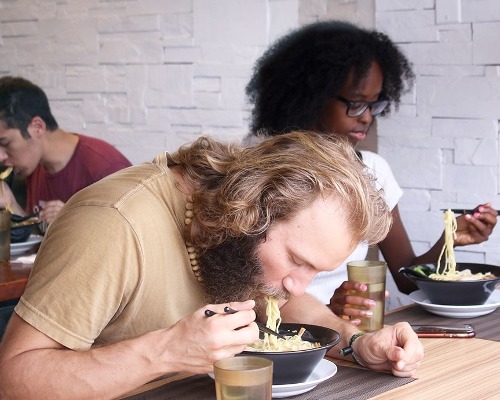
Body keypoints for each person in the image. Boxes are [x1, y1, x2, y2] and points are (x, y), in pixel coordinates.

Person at [0, 132, 423, 399]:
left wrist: (355, 342)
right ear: (252, 211)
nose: (299, 286)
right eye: (297, 261)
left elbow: (279, 301)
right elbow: (15, 380)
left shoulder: (236, 231)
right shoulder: (114, 222)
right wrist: (165, 352)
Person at [243, 20, 498, 322]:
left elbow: (406, 276)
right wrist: (325, 313)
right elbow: (241, 291)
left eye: (373, 105)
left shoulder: (373, 171)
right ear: (310, 95)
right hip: (279, 340)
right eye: (355, 103)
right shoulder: (258, 172)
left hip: (350, 337)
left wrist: (449, 240)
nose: (366, 118)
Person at [0, 76, 132, 225]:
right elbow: (40, 237)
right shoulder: (33, 164)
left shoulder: (106, 167)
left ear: (37, 127)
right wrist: (11, 203)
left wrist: (72, 221)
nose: (0, 156)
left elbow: (133, 237)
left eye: (5, 143)